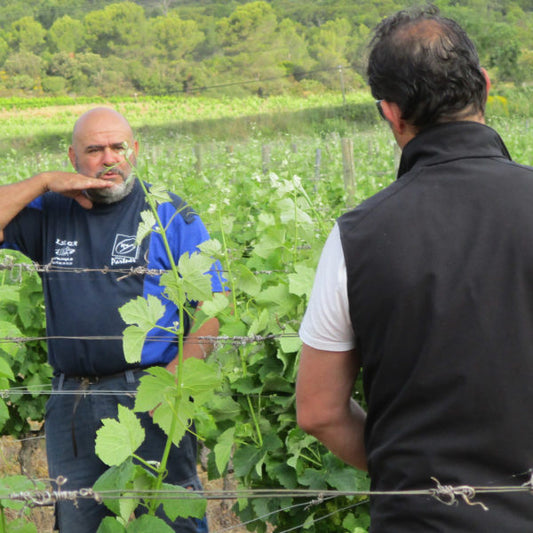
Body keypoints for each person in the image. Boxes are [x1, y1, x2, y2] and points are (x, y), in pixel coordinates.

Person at [296, 6, 533, 532]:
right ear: (486, 86)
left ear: (390, 113)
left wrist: (412, 479)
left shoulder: (355, 237)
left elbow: (317, 410)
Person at [0, 107, 223, 532]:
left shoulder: (168, 213)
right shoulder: (50, 211)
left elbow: (213, 307)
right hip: (72, 403)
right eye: (94, 149)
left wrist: (175, 385)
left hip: (151, 393)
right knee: (82, 522)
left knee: (166, 523)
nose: (109, 159)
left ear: (134, 149)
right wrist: (42, 183)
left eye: (118, 147)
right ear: (72, 158)